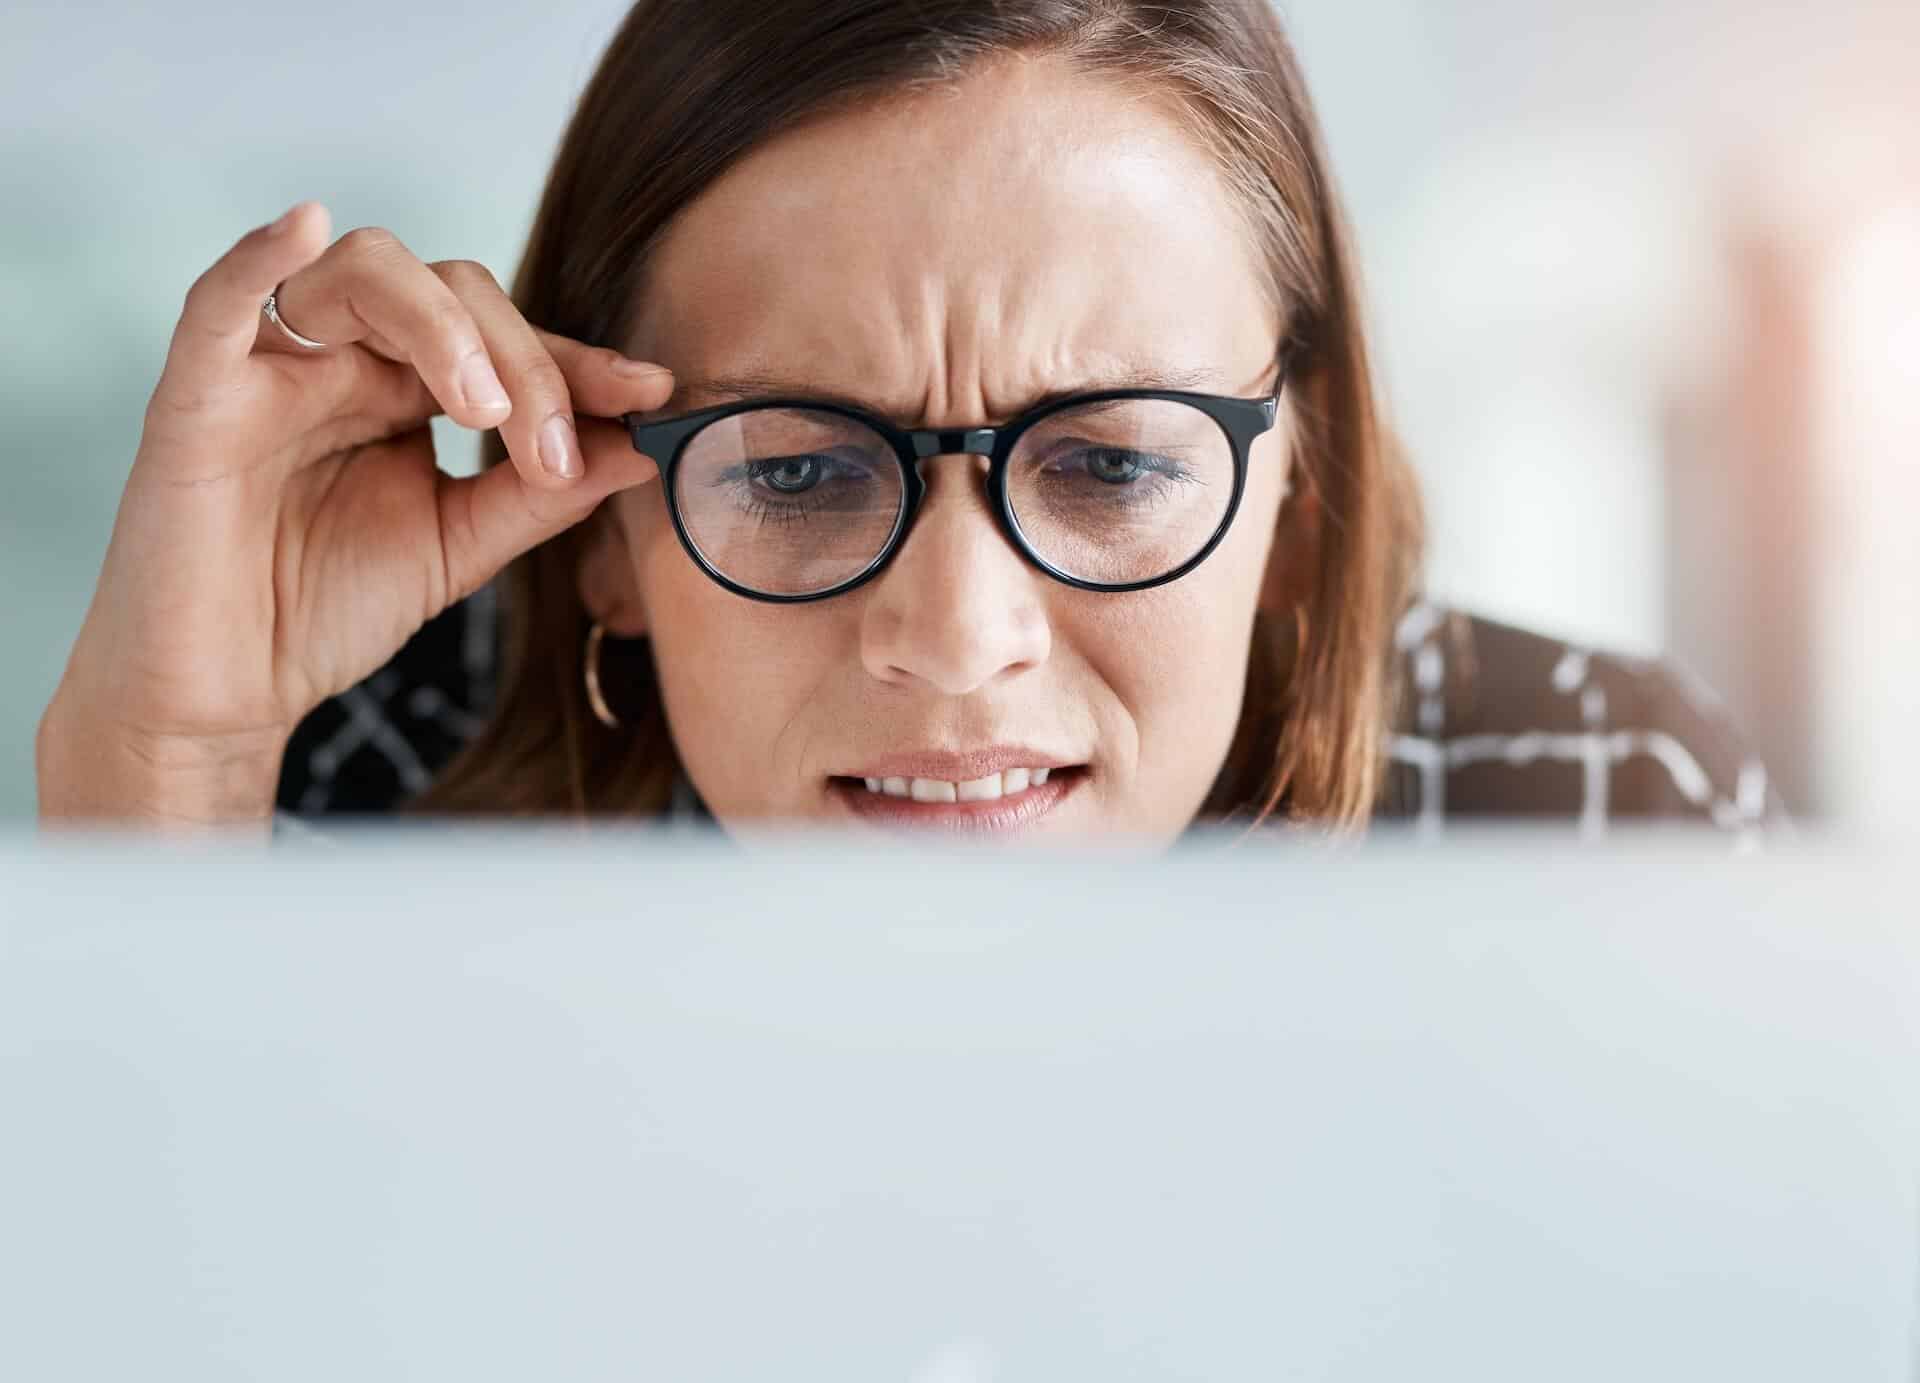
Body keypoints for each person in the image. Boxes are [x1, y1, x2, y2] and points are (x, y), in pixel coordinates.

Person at [33, 0, 1786, 845]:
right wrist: (174, 756)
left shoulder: (1589, 808)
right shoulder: (376, 794)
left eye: (1111, 462)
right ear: (609, 540)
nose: (953, 643)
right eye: (793, 467)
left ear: (1295, 506)